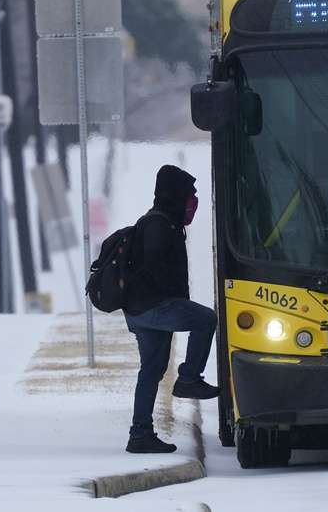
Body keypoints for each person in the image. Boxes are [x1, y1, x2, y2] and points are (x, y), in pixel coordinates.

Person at [122, 164, 221, 455]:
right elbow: (152, 266)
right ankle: (189, 379)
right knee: (205, 319)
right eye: (189, 193)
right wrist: (170, 299)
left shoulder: (163, 221)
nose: (193, 199)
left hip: (142, 309)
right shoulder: (159, 224)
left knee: (151, 371)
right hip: (152, 307)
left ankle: (140, 435)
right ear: (174, 193)